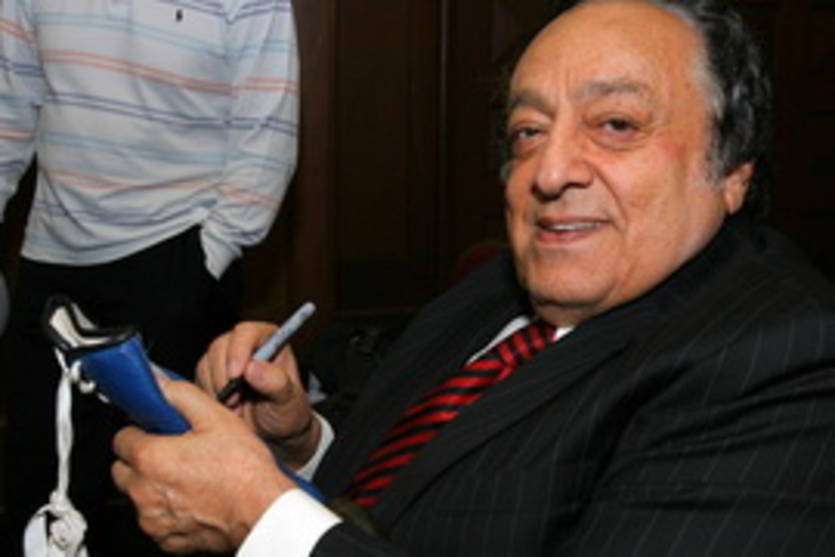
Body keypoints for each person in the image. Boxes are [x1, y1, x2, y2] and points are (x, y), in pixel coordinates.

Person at [111, 0, 835, 554]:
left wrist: (260, 519)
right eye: (529, 132)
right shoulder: (500, 284)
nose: (548, 172)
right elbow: (417, 484)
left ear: (732, 169)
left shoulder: (785, 354)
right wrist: (302, 442)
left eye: (615, 124)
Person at [0, 0, 299, 554]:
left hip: (176, 261)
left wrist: (208, 259)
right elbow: (9, 104)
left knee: (176, 512)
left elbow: (268, 125)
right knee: (37, 494)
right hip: (50, 264)